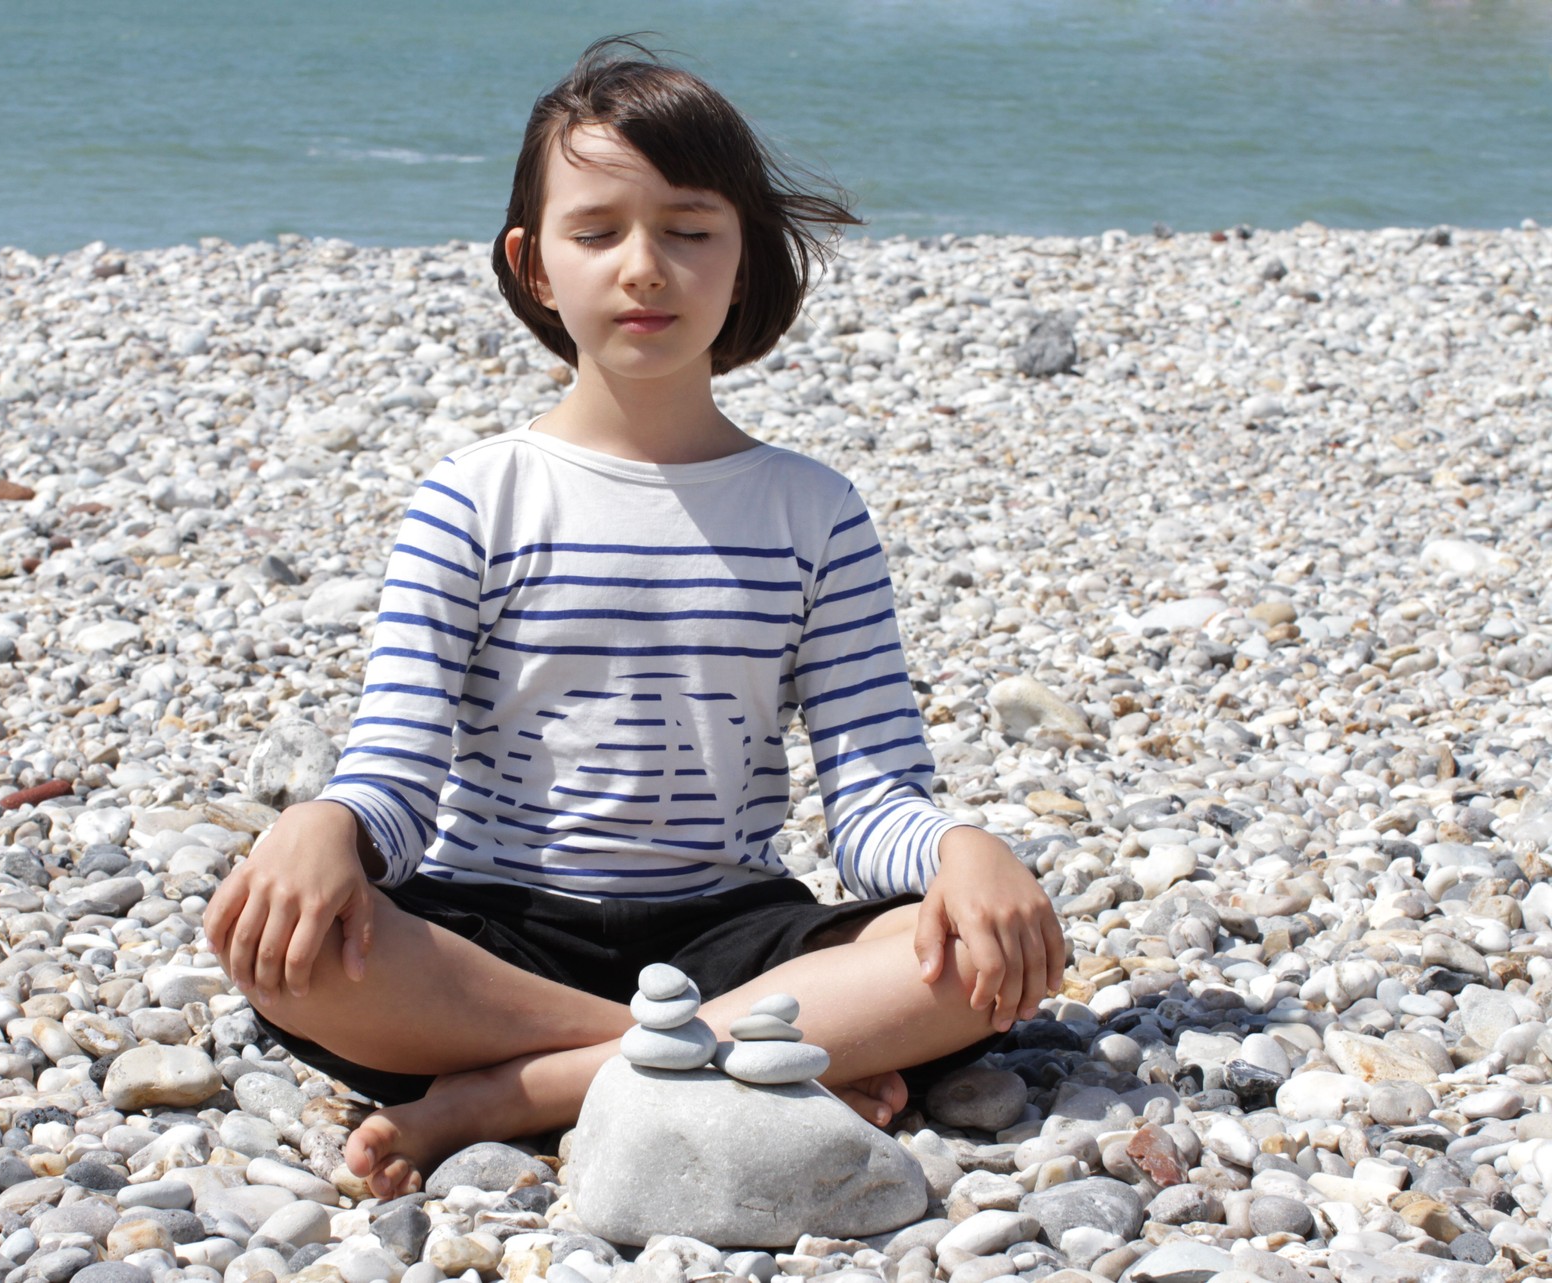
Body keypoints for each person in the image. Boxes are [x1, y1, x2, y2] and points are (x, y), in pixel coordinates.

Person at [203, 36, 1064, 1200]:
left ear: (744, 258)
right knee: (291, 951)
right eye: (598, 230)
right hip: (500, 929)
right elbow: (397, 775)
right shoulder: (475, 498)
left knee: (983, 961)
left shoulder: (814, 511)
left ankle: (514, 1094)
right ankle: (740, 1060)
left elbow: (871, 802)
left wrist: (965, 848)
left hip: (730, 922)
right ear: (536, 266)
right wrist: (324, 826)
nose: (645, 267)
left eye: (690, 228)